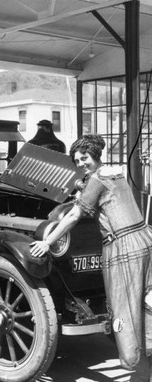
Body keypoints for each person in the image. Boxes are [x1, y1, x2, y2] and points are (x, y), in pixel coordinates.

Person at [30, 134, 152, 373]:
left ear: (95, 156)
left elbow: (75, 215)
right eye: (76, 160)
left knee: (125, 305)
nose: (81, 163)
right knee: (147, 302)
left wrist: (47, 242)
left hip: (123, 246)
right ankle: (147, 363)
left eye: (84, 158)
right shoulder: (116, 173)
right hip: (145, 239)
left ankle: (137, 367)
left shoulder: (95, 180)